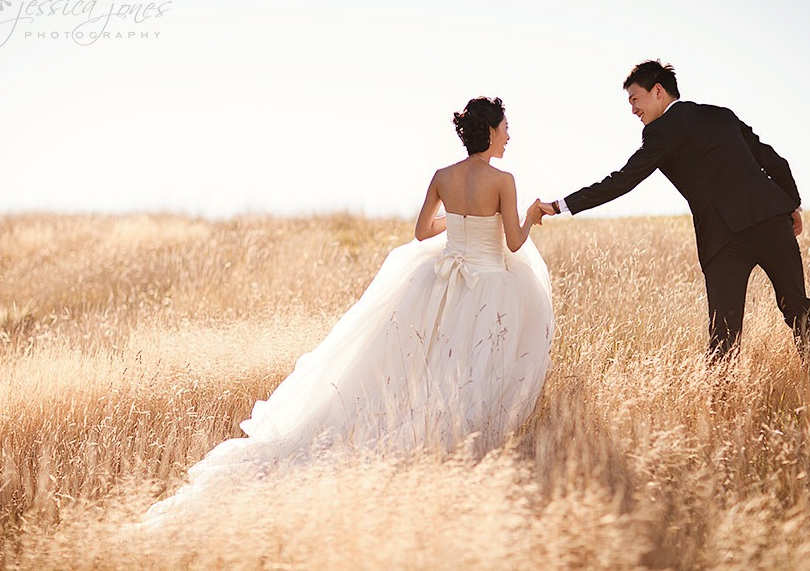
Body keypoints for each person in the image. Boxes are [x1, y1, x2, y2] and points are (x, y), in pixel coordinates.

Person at [144, 97, 554, 522]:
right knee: (472, 370)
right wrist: (529, 216)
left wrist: (462, 222)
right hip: (485, 285)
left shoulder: (442, 177)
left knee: (421, 366)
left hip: (440, 279)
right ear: (489, 130)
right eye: (506, 127)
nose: (509, 135)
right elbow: (513, 242)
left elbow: (420, 232)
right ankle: (458, 453)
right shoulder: (503, 180)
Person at [540, 60, 810, 366]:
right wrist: (791, 204)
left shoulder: (660, 131)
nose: (633, 110)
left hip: (724, 240)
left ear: (658, 91)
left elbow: (623, 181)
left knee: (724, 333)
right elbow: (772, 159)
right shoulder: (722, 115)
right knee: (798, 307)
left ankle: (720, 405)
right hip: (771, 221)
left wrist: (561, 205)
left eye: (635, 99)